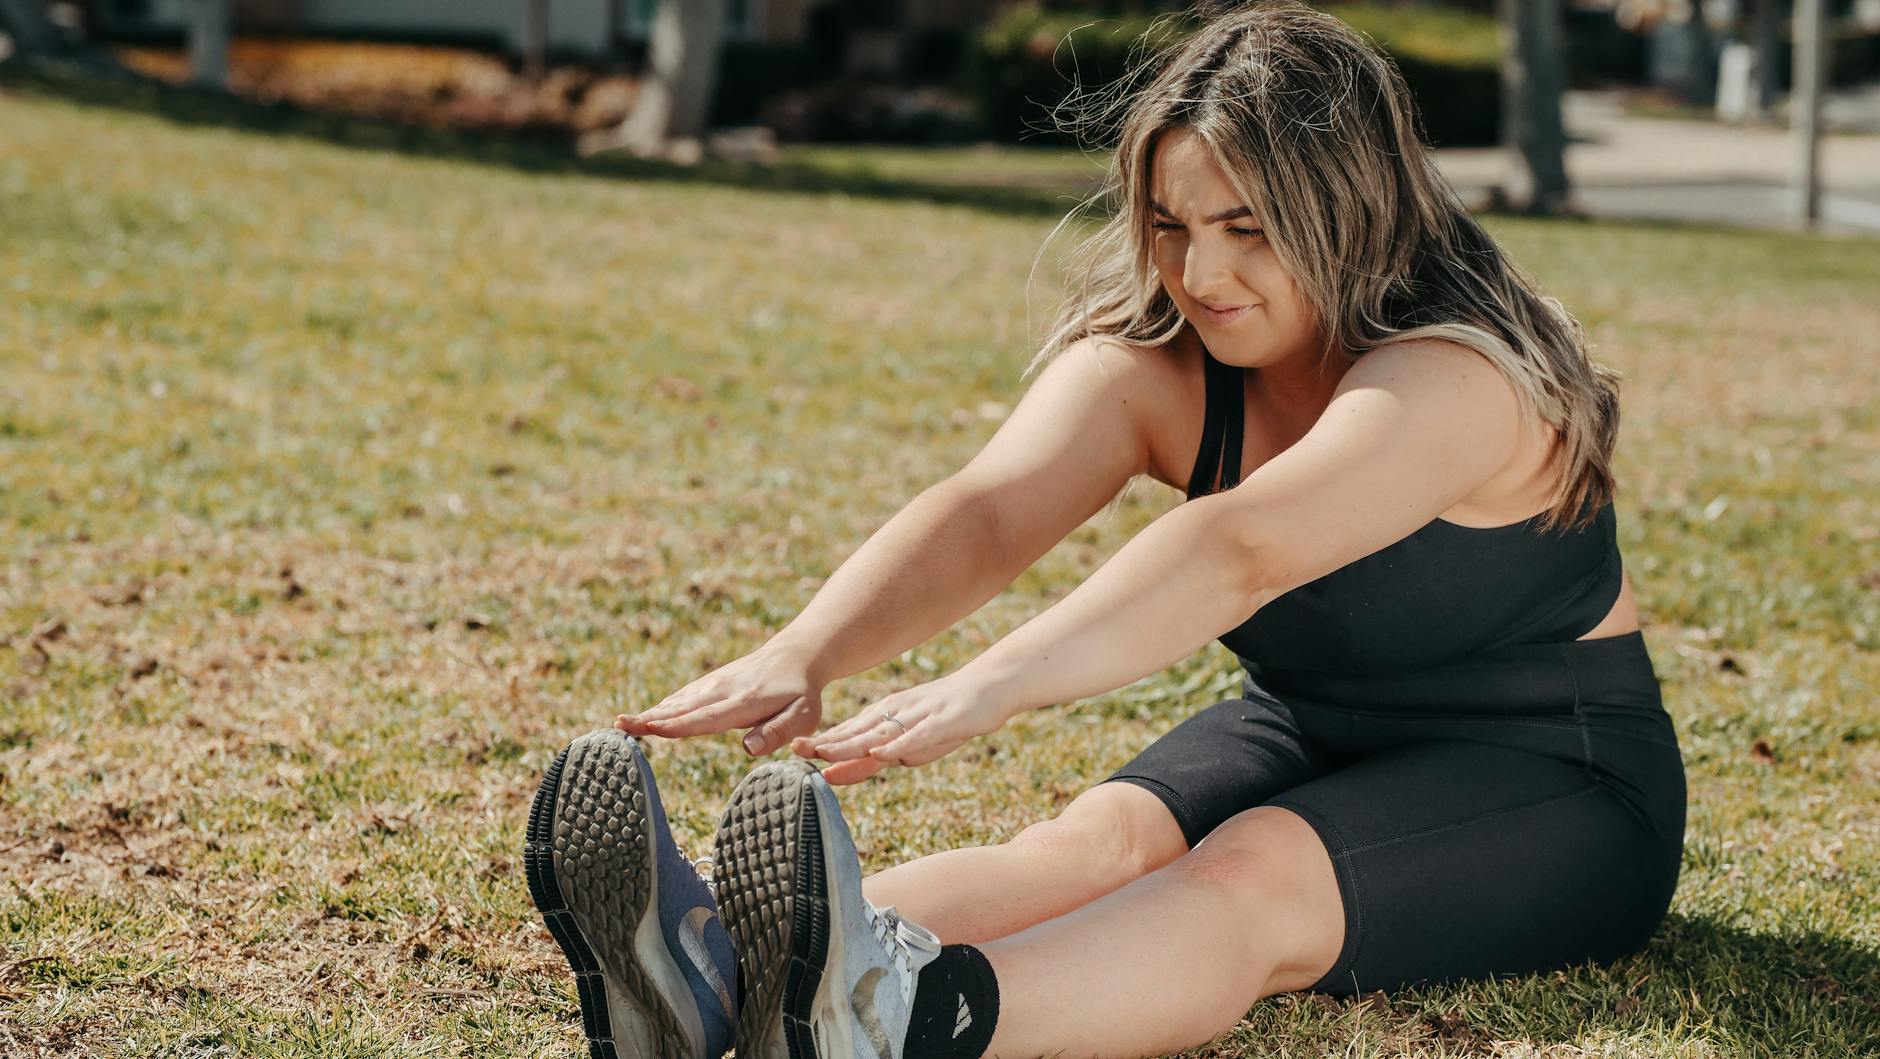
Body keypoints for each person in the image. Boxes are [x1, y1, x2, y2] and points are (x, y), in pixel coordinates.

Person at [523, 5, 1687, 1059]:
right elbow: (986, 512)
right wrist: (808, 650)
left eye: (1246, 228)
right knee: (1089, 847)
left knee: (1252, 871)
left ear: (1349, 209)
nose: (1199, 271)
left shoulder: (1459, 377)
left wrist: (989, 686)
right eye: (1172, 225)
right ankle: (711, 976)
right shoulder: (1163, 369)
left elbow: (1241, 548)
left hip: (1553, 776)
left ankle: (901, 1018)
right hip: (1306, 729)